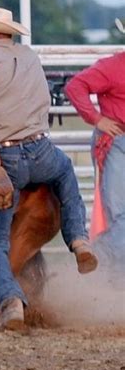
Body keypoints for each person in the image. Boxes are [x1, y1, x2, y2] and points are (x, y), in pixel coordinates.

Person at [0, 7, 98, 332]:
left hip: (6, 159)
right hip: (41, 149)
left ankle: (10, 302)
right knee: (66, 170)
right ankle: (79, 240)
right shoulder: (29, 56)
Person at [65, 20, 125, 274]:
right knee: (119, 213)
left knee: (119, 214)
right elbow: (75, 86)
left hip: (117, 140)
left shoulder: (113, 67)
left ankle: (104, 267)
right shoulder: (112, 67)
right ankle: (113, 273)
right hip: (117, 141)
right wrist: (97, 119)